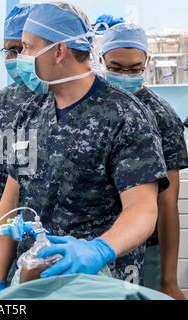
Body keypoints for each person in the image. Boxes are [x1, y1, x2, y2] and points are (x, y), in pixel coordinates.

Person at [0, 2, 169, 293]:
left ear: (58, 51)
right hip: (33, 281)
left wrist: (99, 249)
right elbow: (11, 199)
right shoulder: (31, 111)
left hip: (100, 283)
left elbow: (143, 210)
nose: (21, 58)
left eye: (27, 47)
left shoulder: (123, 115)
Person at [102, 23, 188, 299]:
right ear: (101, 60)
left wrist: (169, 279)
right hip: (94, 243)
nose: (126, 75)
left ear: (147, 62)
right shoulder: (93, 106)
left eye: (135, 69)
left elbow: (168, 202)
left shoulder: (161, 115)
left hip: (143, 248)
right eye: (116, 68)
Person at [0, 3, 44, 293]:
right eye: (10, 51)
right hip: (4, 233)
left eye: (23, 48)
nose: (17, 58)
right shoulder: (3, 103)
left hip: (44, 243)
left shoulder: (61, 101)